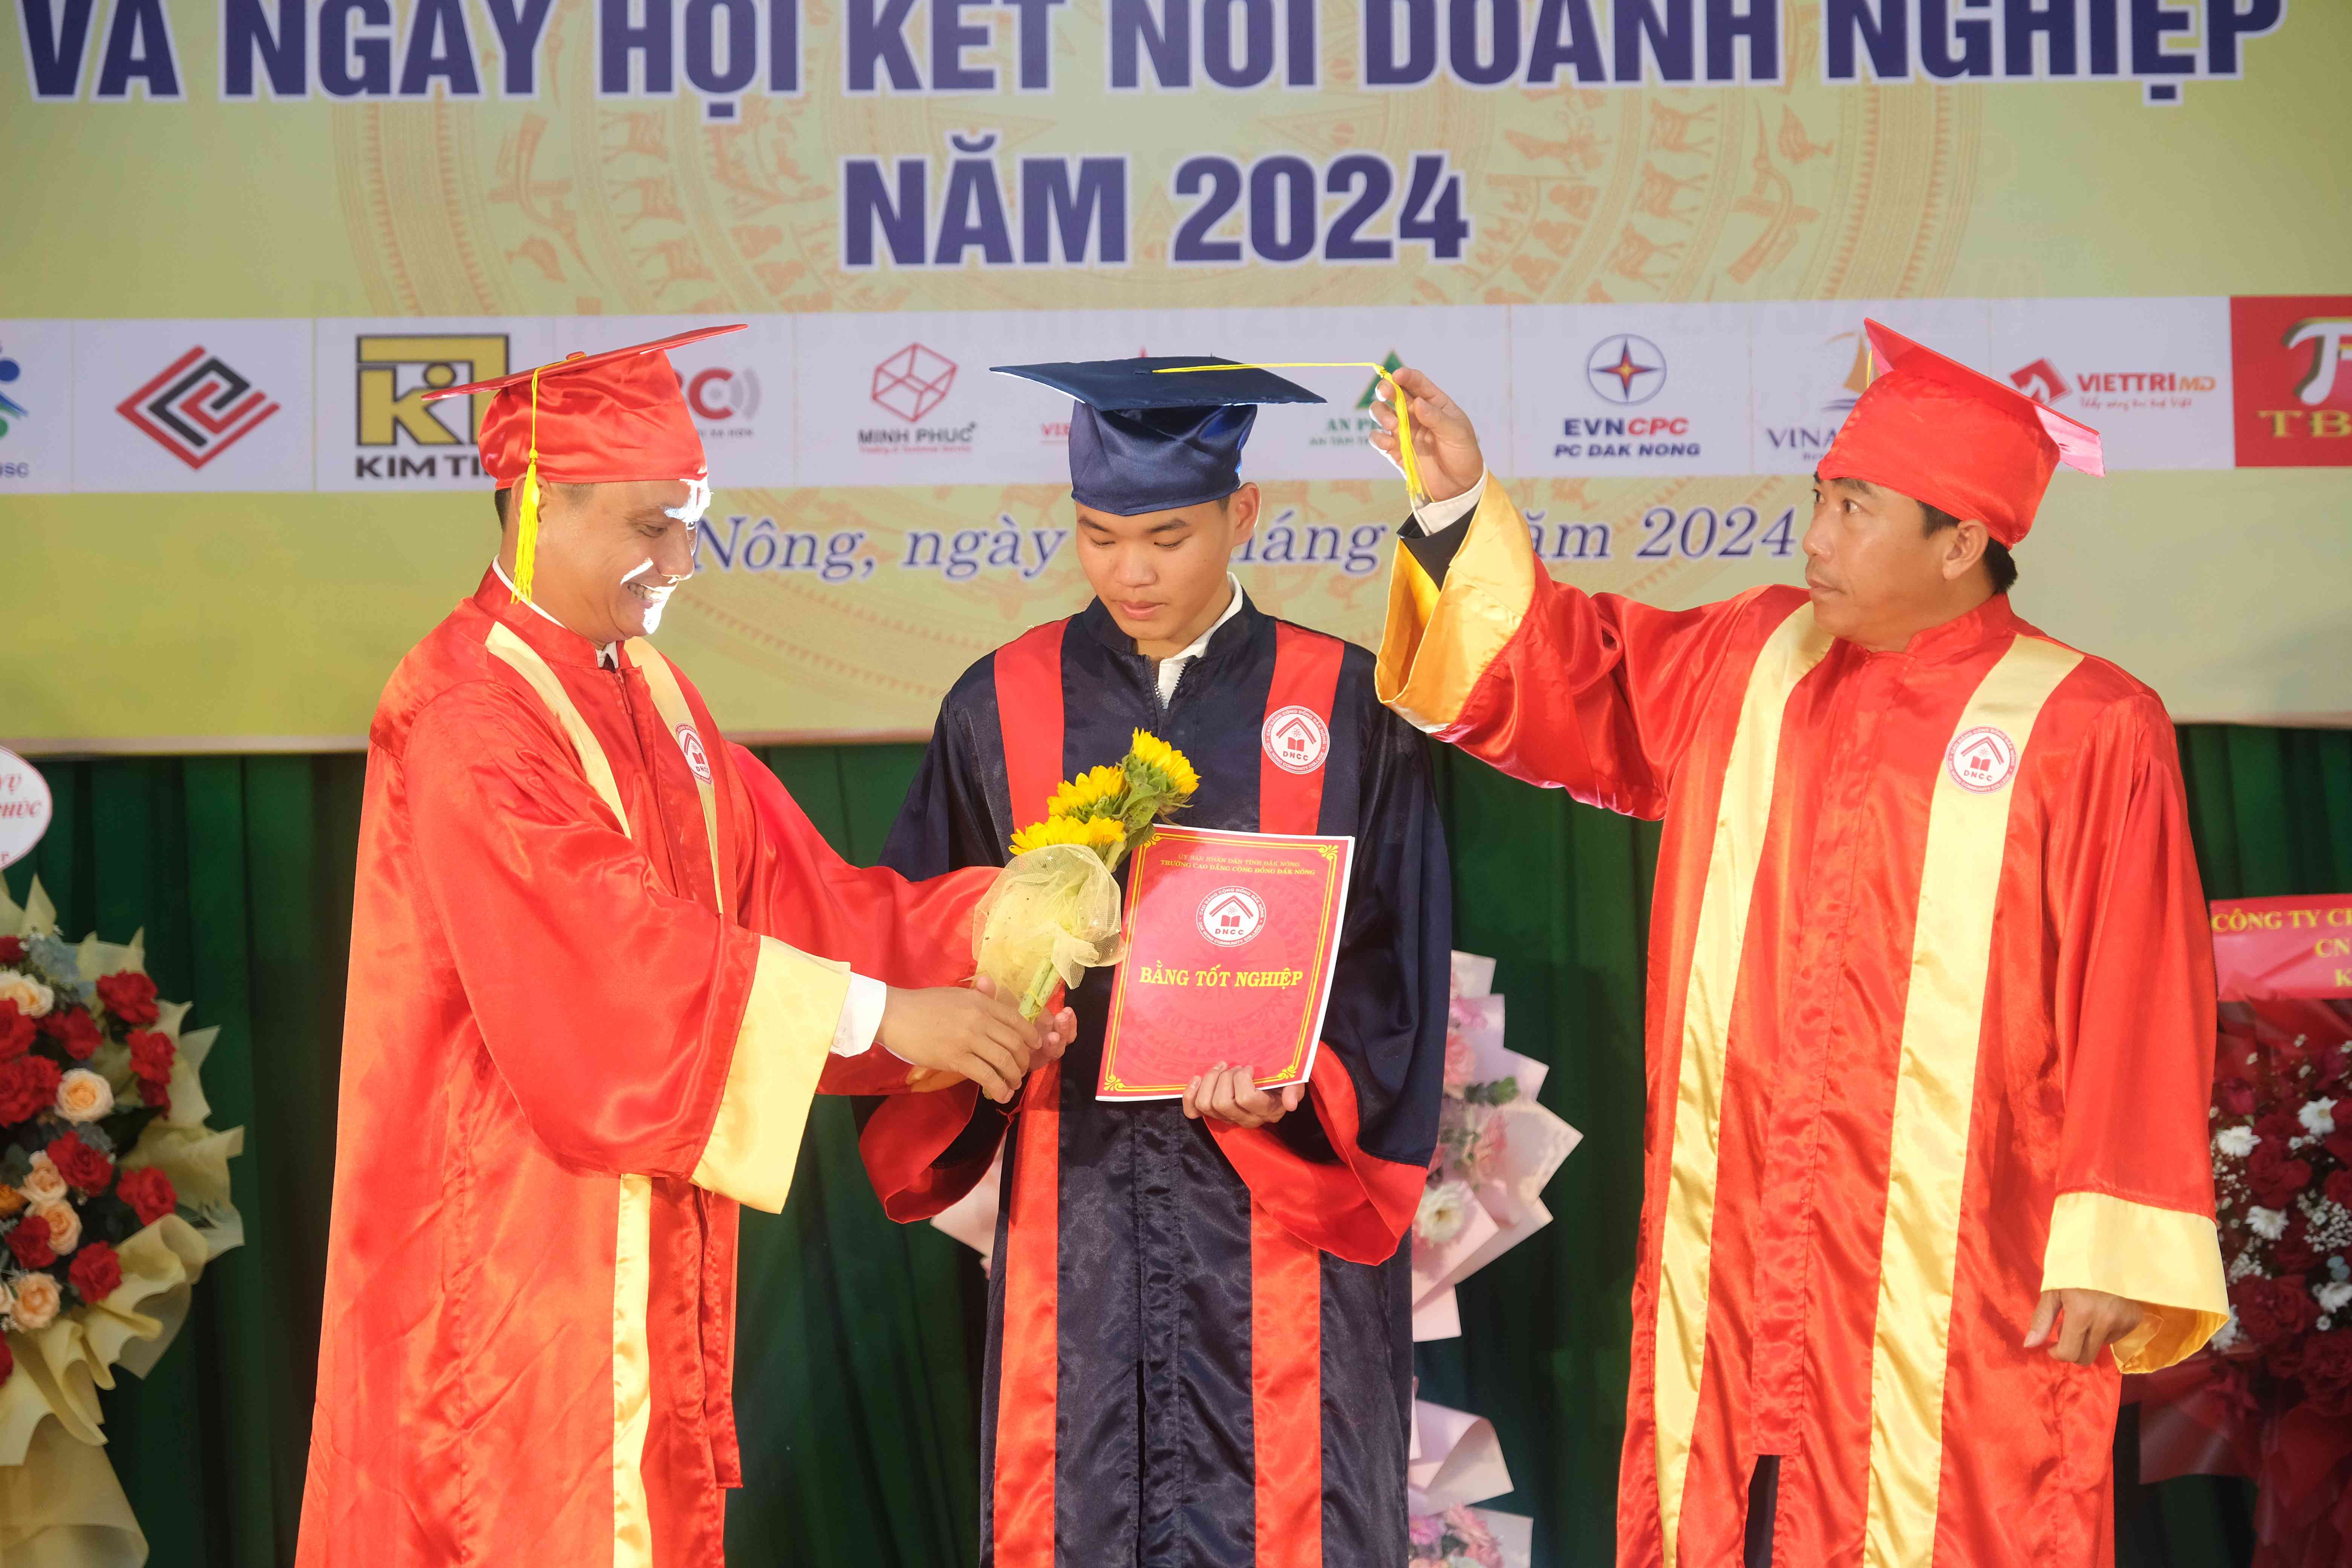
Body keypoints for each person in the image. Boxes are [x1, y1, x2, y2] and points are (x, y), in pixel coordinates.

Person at [1369, 321, 2229, 1568]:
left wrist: (2112, 1243)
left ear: (1962, 543)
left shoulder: (2086, 723)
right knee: (1733, 1506)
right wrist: (1456, 510)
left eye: (1855, 509)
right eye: (1820, 498)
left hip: (1963, 1238)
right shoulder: (1755, 655)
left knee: (1960, 1511)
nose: (1815, 537)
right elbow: (1565, 677)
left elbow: (2139, 992)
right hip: (1743, 1213)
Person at [296, 326, 1072, 1568]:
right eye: (653, 528)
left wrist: (1010, 934)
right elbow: (612, 958)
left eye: (692, 525)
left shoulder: (648, 688)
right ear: (542, 504)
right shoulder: (467, 715)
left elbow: (796, 901)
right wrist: (886, 1015)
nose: (681, 564)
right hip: (511, 1254)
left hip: (637, 1234)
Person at [863, 357, 1453, 1568]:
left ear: (1243, 515)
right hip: (1076, 1207)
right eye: (1100, 536)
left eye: (1167, 538)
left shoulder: (1345, 703)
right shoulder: (999, 707)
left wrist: (1306, 1082)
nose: (1130, 572)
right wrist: (999, 1028)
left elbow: (1402, 963)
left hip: (1277, 1215)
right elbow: (924, 938)